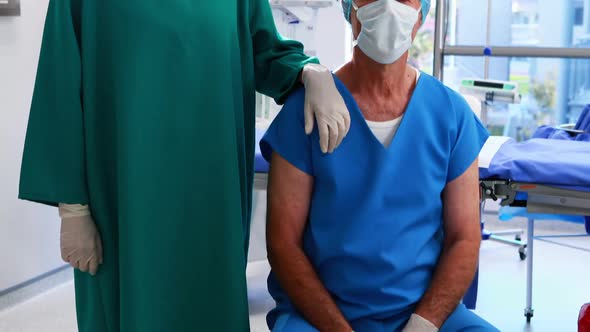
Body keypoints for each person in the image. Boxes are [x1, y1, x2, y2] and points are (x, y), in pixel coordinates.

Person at [18, 1, 351, 331]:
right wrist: (73, 209)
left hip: (209, 202)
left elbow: (265, 53)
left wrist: (308, 72)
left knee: (208, 306)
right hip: (125, 204)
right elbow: (58, 83)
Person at [260, 0, 499, 331]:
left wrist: (424, 323)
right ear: (351, 13)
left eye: (404, 0)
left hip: (422, 313)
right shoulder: (305, 112)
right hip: (319, 317)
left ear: (419, 18)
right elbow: (283, 244)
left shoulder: (451, 115)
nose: (388, 6)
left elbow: (465, 238)